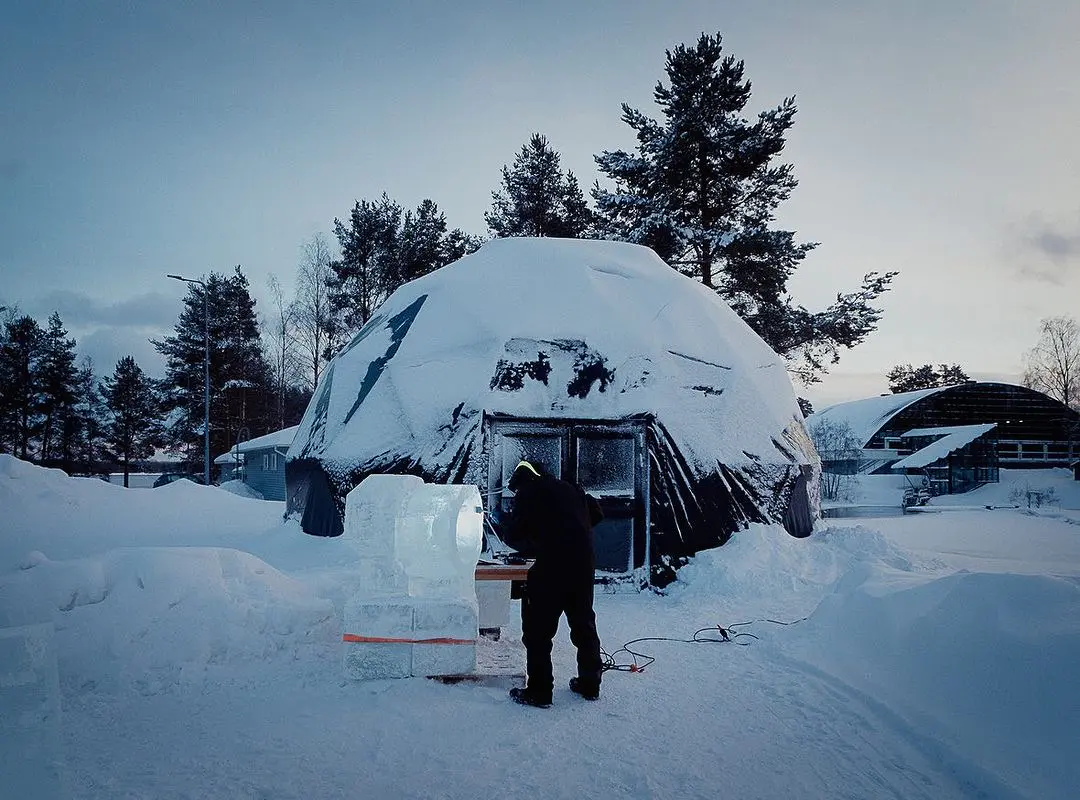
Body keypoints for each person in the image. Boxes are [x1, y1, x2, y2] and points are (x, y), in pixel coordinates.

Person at [498, 460, 604, 708]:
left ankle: (539, 692)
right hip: (582, 564)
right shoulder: (571, 488)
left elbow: (515, 536)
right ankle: (590, 684)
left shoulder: (528, 493)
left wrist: (504, 524)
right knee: (584, 625)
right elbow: (597, 513)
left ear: (521, 481)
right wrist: (570, 532)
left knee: (538, 632)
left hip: (551, 568)